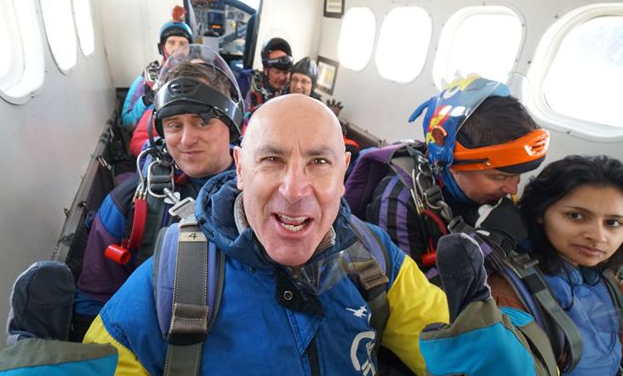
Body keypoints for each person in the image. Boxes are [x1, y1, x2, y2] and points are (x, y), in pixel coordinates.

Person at [84, 94, 450, 376]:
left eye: (319, 162)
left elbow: (451, 358)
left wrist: (479, 345)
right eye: (272, 159)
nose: (294, 190)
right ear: (241, 169)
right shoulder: (171, 282)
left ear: (342, 175)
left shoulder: (376, 258)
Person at [74, 44, 242, 339]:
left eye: (202, 121)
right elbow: (95, 302)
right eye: (174, 125)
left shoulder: (263, 197)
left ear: (232, 123)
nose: (186, 139)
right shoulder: (128, 203)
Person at [347, 75, 550, 281]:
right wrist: (488, 245)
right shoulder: (398, 201)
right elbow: (402, 293)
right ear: (449, 163)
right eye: (498, 176)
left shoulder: (493, 192)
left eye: (518, 175)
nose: (513, 189)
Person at [489, 155, 623, 376]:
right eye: (576, 216)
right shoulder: (508, 292)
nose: (598, 236)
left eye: (614, 223)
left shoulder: (604, 279)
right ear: (540, 213)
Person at [121, 5, 193, 131]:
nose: (177, 48)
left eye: (183, 44)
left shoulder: (197, 77)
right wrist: (147, 100)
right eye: (171, 43)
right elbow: (127, 122)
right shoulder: (148, 80)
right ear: (162, 47)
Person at [242, 37, 293, 121]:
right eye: (277, 72)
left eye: (286, 72)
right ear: (265, 70)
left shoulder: (294, 88)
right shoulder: (246, 81)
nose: (282, 77)